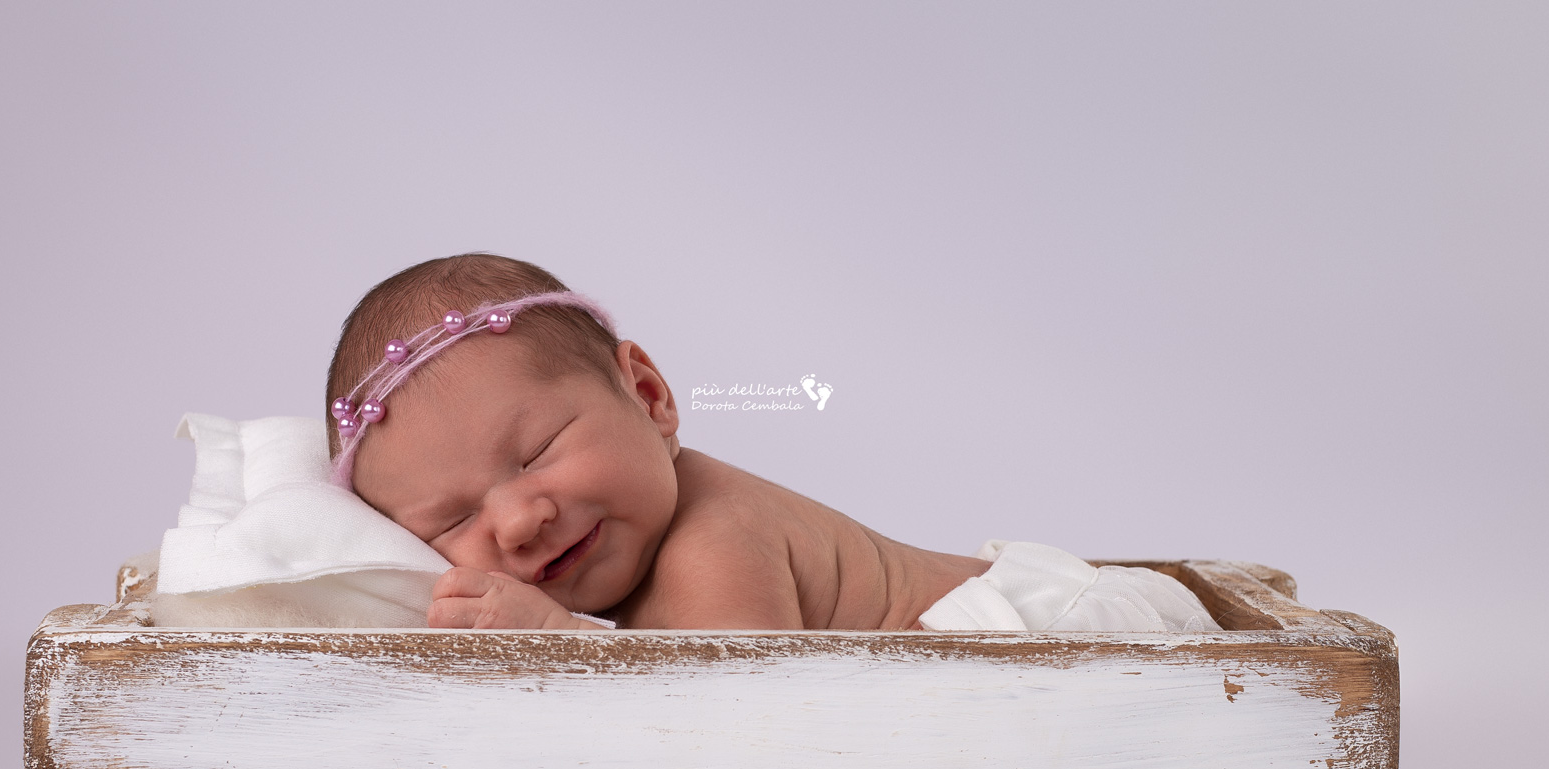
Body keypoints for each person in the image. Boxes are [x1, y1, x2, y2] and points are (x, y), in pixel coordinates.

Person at [326, 254, 1215, 634]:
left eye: (538, 453)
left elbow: (733, 735)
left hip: (1059, 643)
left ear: (649, 396)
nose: (519, 521)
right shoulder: (656, 550)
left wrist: (559, 644)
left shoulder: (708, 548)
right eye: (453, 521)